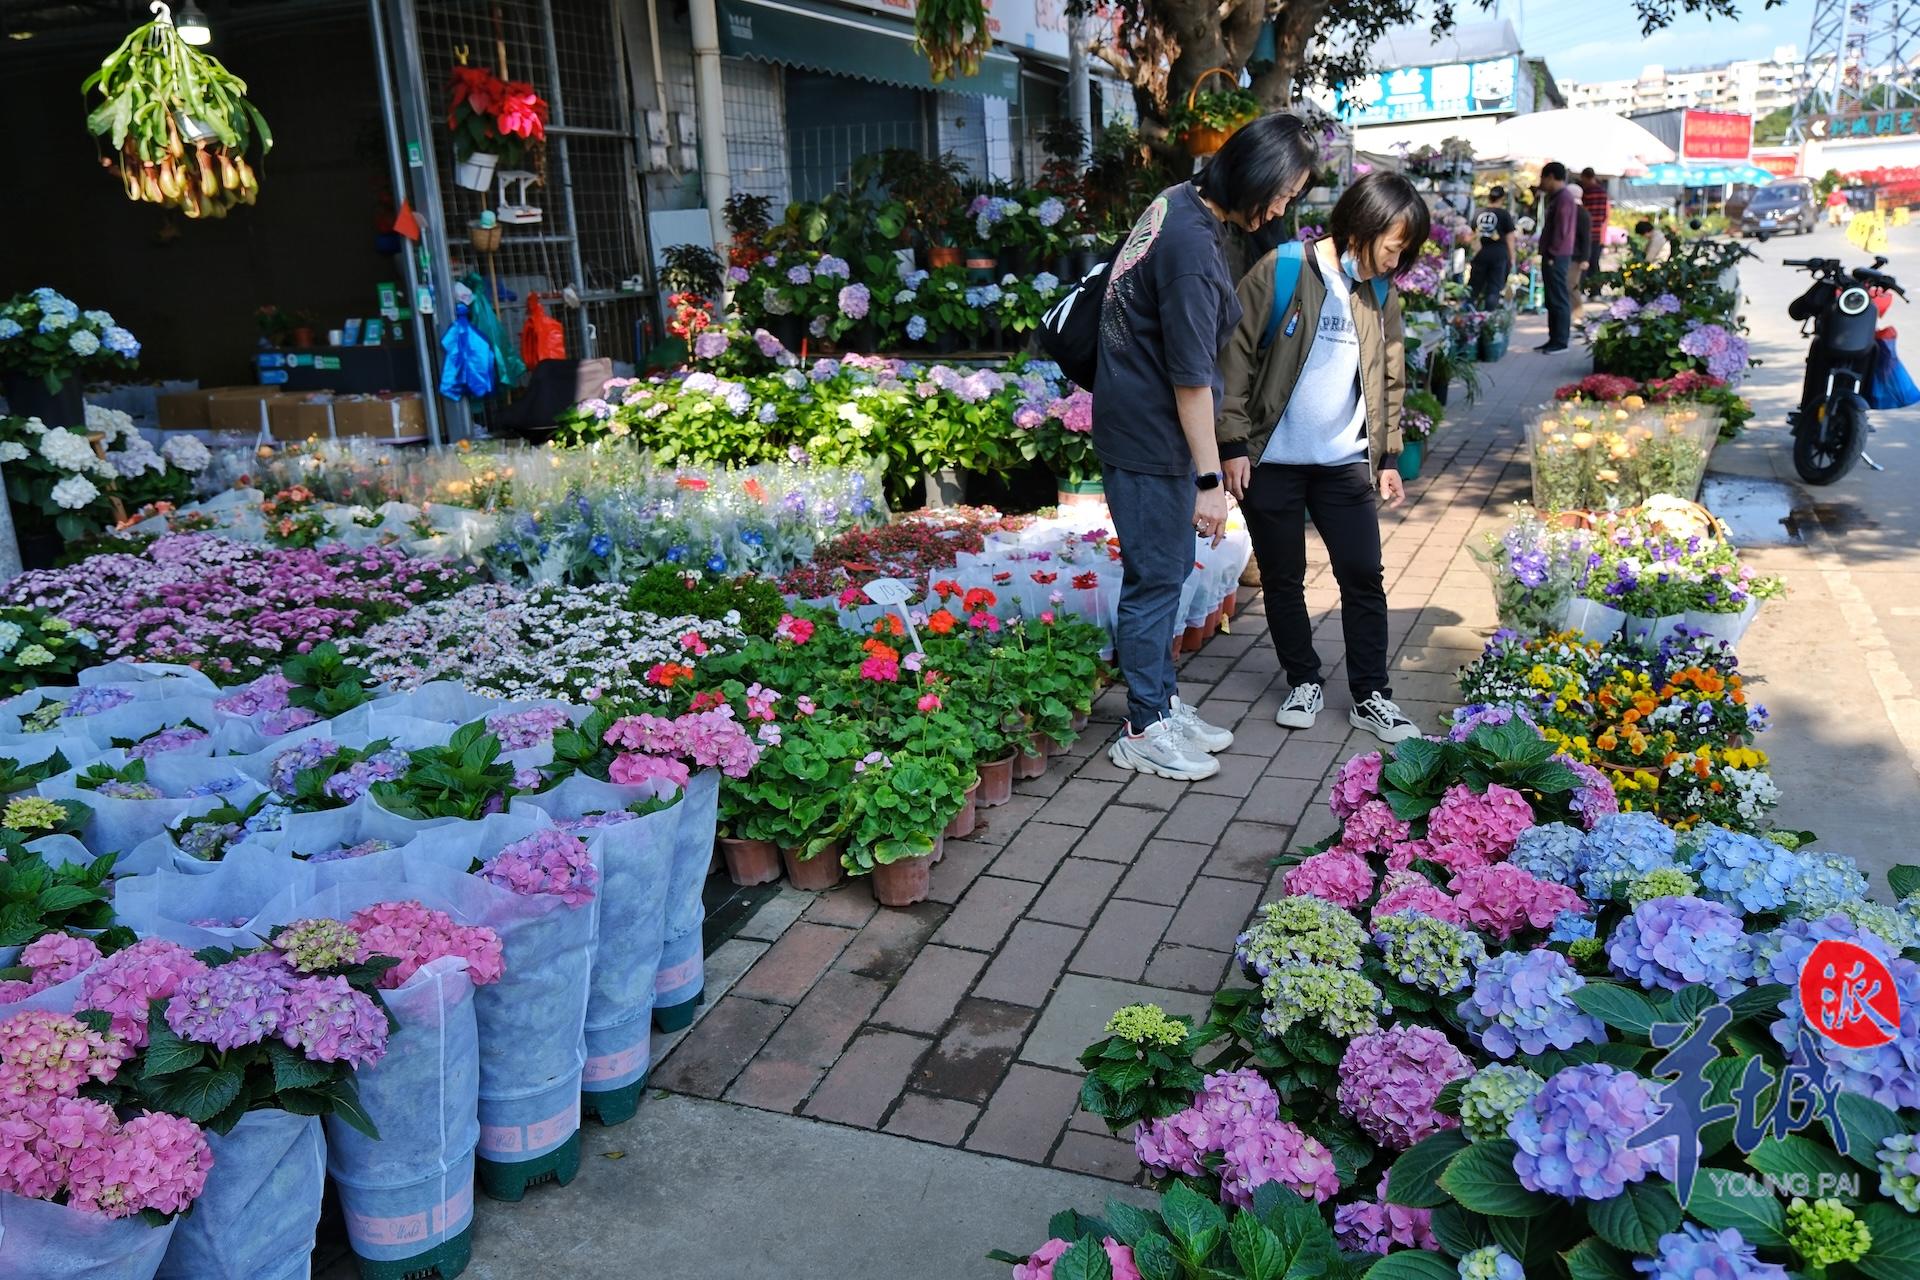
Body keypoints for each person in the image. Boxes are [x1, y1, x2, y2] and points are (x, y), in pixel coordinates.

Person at [1095, 113, 1319, 783]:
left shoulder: (1178, 199)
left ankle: (1159, 702)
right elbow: (1193, 383)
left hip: (1138, 421)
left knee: (1161, 573)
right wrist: (1208, 482)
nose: (1282, 208)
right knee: (1156, 580)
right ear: (1254, 177)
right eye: (1282, 194)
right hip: (1151, 436)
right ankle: (1142, 726)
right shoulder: (1193, 248)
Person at [1215, 172, 1429, 745]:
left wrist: (1386, 455)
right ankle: (1303, 679)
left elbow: (1389, 376)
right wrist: (1232, 445)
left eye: (1403, 251)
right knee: (1283, 578)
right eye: (1392, 245)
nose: (1394, 260)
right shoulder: (1284, 271)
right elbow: (1232, 361)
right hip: (1273, 461)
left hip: (1343, 462)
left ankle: (1371, 694)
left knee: (1363, 575)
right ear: (1363, 225)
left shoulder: (1381, 293)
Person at [1536, 162, 1581, 352]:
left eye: (1543, 178)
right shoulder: (1559, 198)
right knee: (1552, 298)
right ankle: (1553, 338)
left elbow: (1561, 230)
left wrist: (1553, 253)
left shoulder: (1564, 198)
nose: (1542, 182)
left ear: (1551, 176)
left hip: (1557, 255)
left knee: (1558, 298)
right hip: (1555, 254)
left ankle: (1560, 341)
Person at [1468, 186, 1517, 309]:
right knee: (1494, 287)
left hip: (1481, 252)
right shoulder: (1504, 214)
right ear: (1502, 198)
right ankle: (1489, 317)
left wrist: (1474, 252)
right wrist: (1512, 258)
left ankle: (1468, 314)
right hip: (1499, 253)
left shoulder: (1478, 212)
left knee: (1474, 287)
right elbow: (1510, 238)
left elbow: (1472, 235)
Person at [1580, 167, 1610, 296]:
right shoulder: (1603, 193)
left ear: (1586, 177)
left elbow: (1583, 212)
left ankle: (1580, 290)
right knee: (1594, 263)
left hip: (1586, 232)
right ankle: (1596, 291)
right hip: (1598, 233)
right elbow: (1604, 215)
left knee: (1583, 262)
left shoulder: (1586, 192)